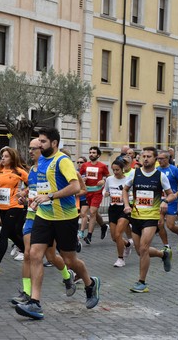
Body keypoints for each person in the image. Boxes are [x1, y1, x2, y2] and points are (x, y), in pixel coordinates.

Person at [16, 127, 100, 320]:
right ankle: (35, 303)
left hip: (65, 218)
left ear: (54, 143)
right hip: (44, 217)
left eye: (43, 141)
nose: (39, 144)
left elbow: (76, 186)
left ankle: (89, 283)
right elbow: (40, 189)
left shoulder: (62, 161)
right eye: (38, 141)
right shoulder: (40, 162)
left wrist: (50, 196)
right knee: (35, 255)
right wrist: (31, 199)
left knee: (70, 260)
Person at [11, 139, 79, 305]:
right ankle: (27, 293)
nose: (31, 151)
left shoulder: (55, 166)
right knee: (29, 253)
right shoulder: (32, 171)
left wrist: (50, 197)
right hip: (32, 215)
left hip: (51, 215)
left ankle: (66, 274)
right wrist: (24, 195)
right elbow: (33, 188)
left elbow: (74, 188)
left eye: (35, 148)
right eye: (31, 148)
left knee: (51, 256)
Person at [121, 146, 175, 293]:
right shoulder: (134, 174)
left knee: (144, 248)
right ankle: (163, 254)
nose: (145, 159)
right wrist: (126, 205)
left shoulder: (160, 176)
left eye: (149, 156)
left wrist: (165, 201)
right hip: (136, 217)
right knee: (140, 251)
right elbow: (125, 190)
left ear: (155, 159)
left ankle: (142, 282)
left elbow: (171, 194)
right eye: (143, 156)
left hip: (151, 217)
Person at [0, 147, 28, 275]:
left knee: (4, 234)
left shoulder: (19, 171)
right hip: (2, 205)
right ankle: (28, 252)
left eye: (6, 156)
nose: (3, 158)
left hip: (15, 206)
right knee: (12, 234)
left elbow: (32, 184)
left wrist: (23, 192)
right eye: (2, 156)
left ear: (13, 158)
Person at [104, 158, 133, 267]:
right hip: (113, 208)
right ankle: (128, 244)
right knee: (114, 237)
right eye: (113, 170)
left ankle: (120, 259)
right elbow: (106, 190)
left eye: (117, 170)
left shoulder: (128, 180)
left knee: (118, 234)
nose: (115, 172)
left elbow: (132, 193)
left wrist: (127, 199)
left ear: (122, 169)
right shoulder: (109, 179)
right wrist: (106, 193)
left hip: (124, 208)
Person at [156, 150, 178, 251]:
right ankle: (166, 246)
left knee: (170, 226)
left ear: (167, 159)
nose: (159, 160)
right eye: (158, 158)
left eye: (162, 158)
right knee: (159, 224)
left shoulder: (174, 170)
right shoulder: (156, 170)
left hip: (171, 201)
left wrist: (176, 194)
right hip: (159, 201)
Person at [79, 146, 110, 244]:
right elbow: (79, 175)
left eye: (94, 152)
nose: (91, 154)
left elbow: (108, 177)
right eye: (90, 152)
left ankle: (89, 235)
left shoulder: (102, 166)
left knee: (92, 212)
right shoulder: (85, 165)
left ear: (98, 155)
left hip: (97, 192)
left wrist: (103, 180)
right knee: (95, 213)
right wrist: (82, 180)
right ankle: (103, 226)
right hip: (87, 191)